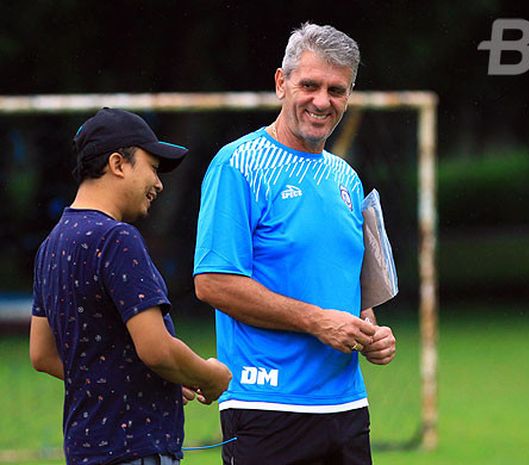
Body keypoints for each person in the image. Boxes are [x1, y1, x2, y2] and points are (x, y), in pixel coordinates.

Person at [194, 23, 397, 465]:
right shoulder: (238, 164)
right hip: (267, 404)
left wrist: (371, 330)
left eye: (336, 90)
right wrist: (318, 322)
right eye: (310, 85)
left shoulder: (347, 178)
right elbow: (212, 283)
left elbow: (348, 291)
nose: (322, 101)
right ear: (281, 83)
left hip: (346, 406)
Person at [29, 108, 232, 465]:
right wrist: (208, 375)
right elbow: (155, 349)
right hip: (136, 451)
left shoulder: (53, 244)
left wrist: (160, 379)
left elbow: (42, 354)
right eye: (153, 168)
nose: (159, 183)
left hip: (84, 449)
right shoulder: (117, 239)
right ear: (118, 163)